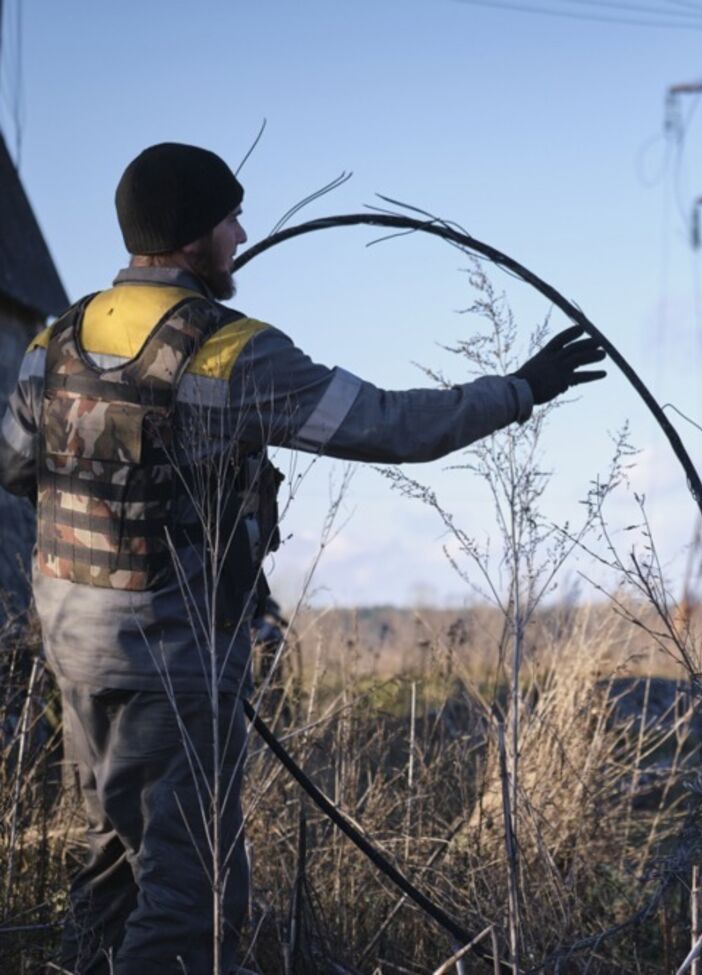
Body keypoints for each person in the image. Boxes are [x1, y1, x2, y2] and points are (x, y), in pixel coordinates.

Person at [0, 142, 606, 974]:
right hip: (174, 668)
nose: (242, 233)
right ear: (190, 238)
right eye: (227, 218)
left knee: (109, 871)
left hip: (71, 652)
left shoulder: (52, 342)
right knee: (189, 904)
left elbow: (14, 465)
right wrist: (522, 388)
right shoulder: (230, 353)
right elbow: (395, 426)